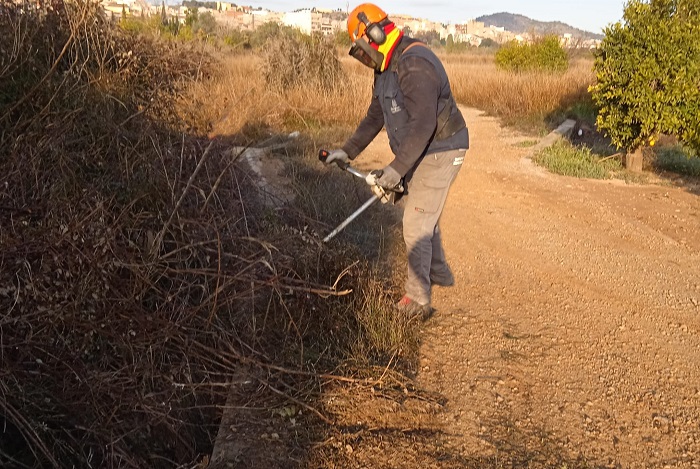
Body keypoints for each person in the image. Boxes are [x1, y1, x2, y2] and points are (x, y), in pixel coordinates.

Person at [324, 3, 469, 320]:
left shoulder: (414, 62)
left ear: (375, 34)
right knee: (416, 209)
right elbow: (374, 117)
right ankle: (439, 271)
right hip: (421, 148)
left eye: (362, 48)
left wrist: (395, 170)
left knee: (416, 221)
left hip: (442, 147)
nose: (363, 57)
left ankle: (418, 302)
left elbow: (423, 127)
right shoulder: (384, 70)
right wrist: (347, 151)